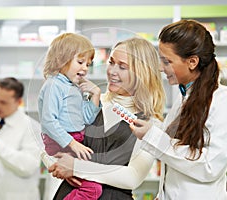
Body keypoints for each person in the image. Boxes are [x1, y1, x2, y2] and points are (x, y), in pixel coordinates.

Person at [49, 20, 227, 200]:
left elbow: (210, 167)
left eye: (167, 61)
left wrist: (152, 136)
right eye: (111, 63)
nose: (160, 67)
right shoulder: (183, 101)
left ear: (192, 62)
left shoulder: (223, 101)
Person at [51, 36, 165, 200]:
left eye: (122, 67)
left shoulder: (152, 124)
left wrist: (77, 167)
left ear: (142, 73)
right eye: (111, 62)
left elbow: (132, 177)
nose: (112, 71)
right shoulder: (92, 103)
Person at [37, 32, 103, 199]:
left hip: (72, 141)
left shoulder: (72, 86)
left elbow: (86, 119)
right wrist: (73, 144)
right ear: (61, 60)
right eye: (80, 62)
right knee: (92, 189)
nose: (85, 68)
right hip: (63, 142)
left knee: (91, 184)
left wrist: (95, 95)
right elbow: (48, 121)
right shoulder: (54, 85)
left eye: (88, 64)